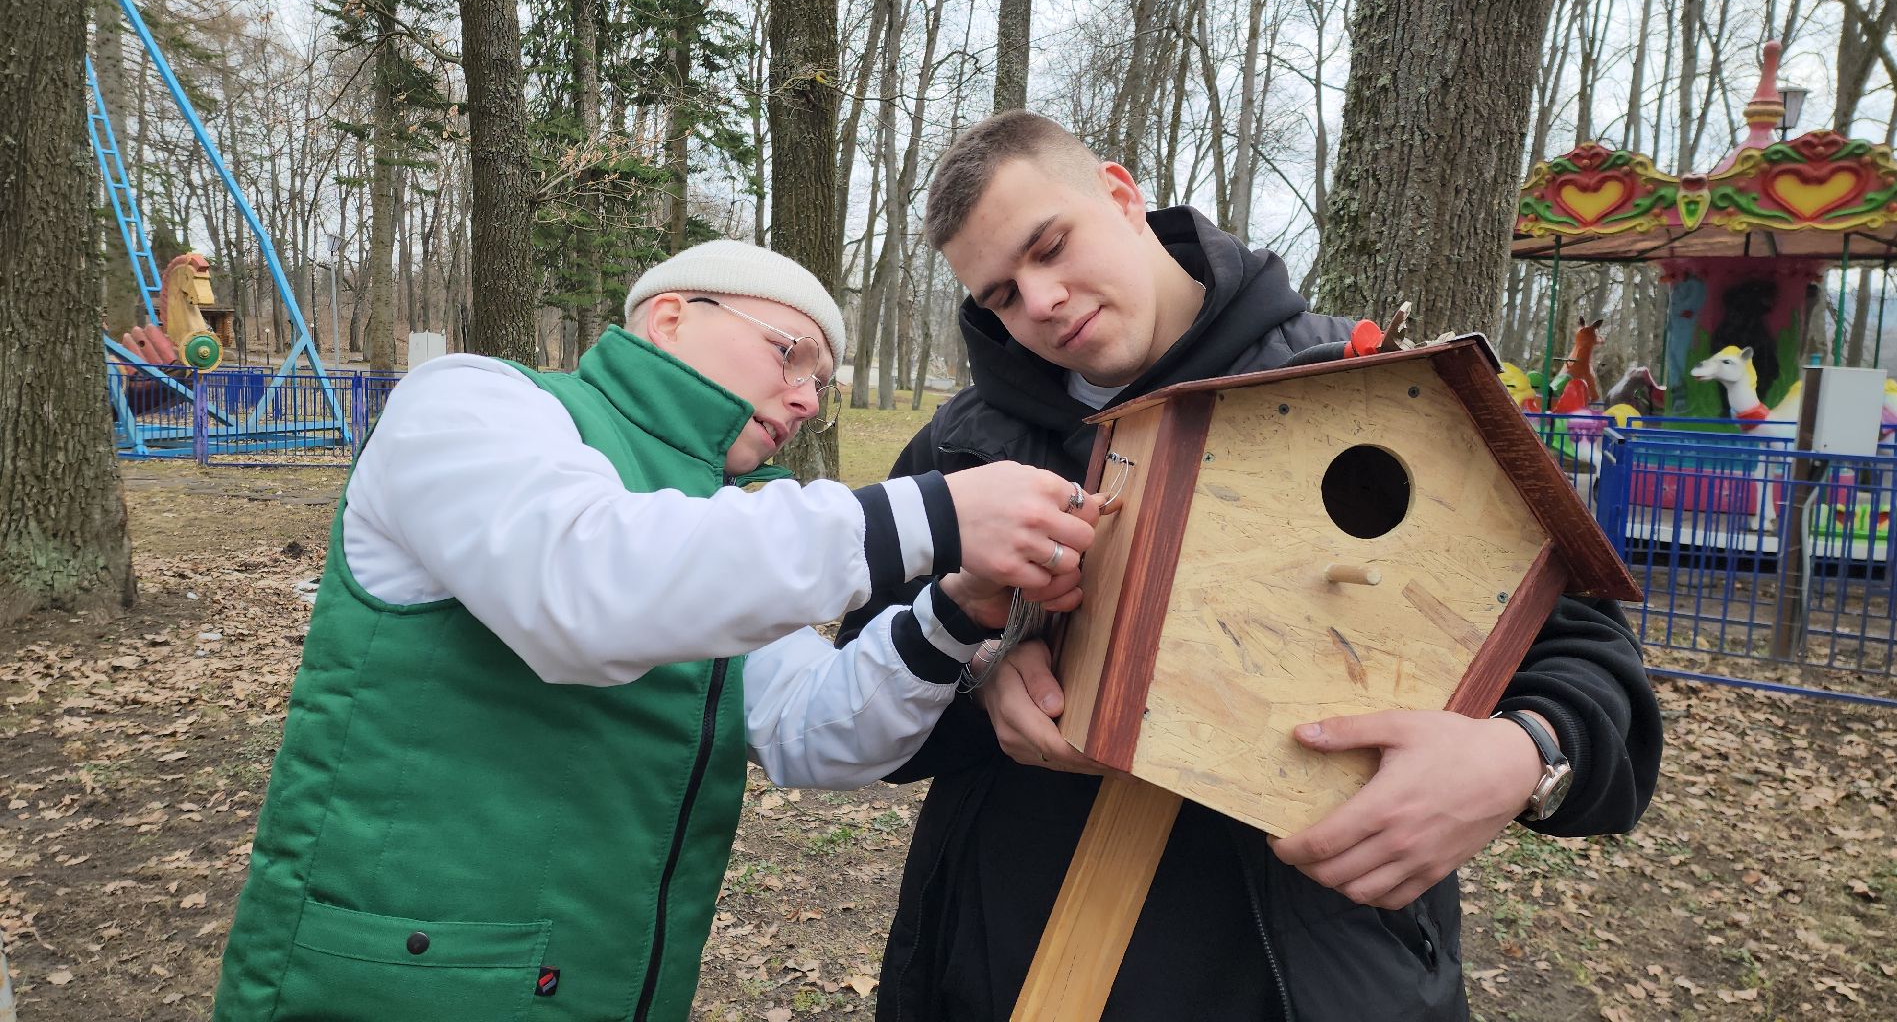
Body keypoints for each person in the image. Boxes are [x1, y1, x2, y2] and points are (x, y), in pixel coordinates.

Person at [839, 111, 1664, 1021]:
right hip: (1003, 962)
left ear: (1121, 196)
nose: (1039, 302)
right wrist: (977, 667)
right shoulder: (963, 451)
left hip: (1303, 973)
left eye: (1052, 246)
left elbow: (1589, 664)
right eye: (999, 294)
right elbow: (859, 689)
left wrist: (1523, 755)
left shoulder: (1370, 393)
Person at [211, 239, 1108, 1021]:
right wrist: (932, 514)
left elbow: (815, 729)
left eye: (820, 387)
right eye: (789, 355)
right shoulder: (474, 404)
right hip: (394, 989)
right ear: (672, 317)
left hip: (603, 986)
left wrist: (960, 606)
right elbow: (582, 589)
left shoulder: (716, 531)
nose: (802, 399)